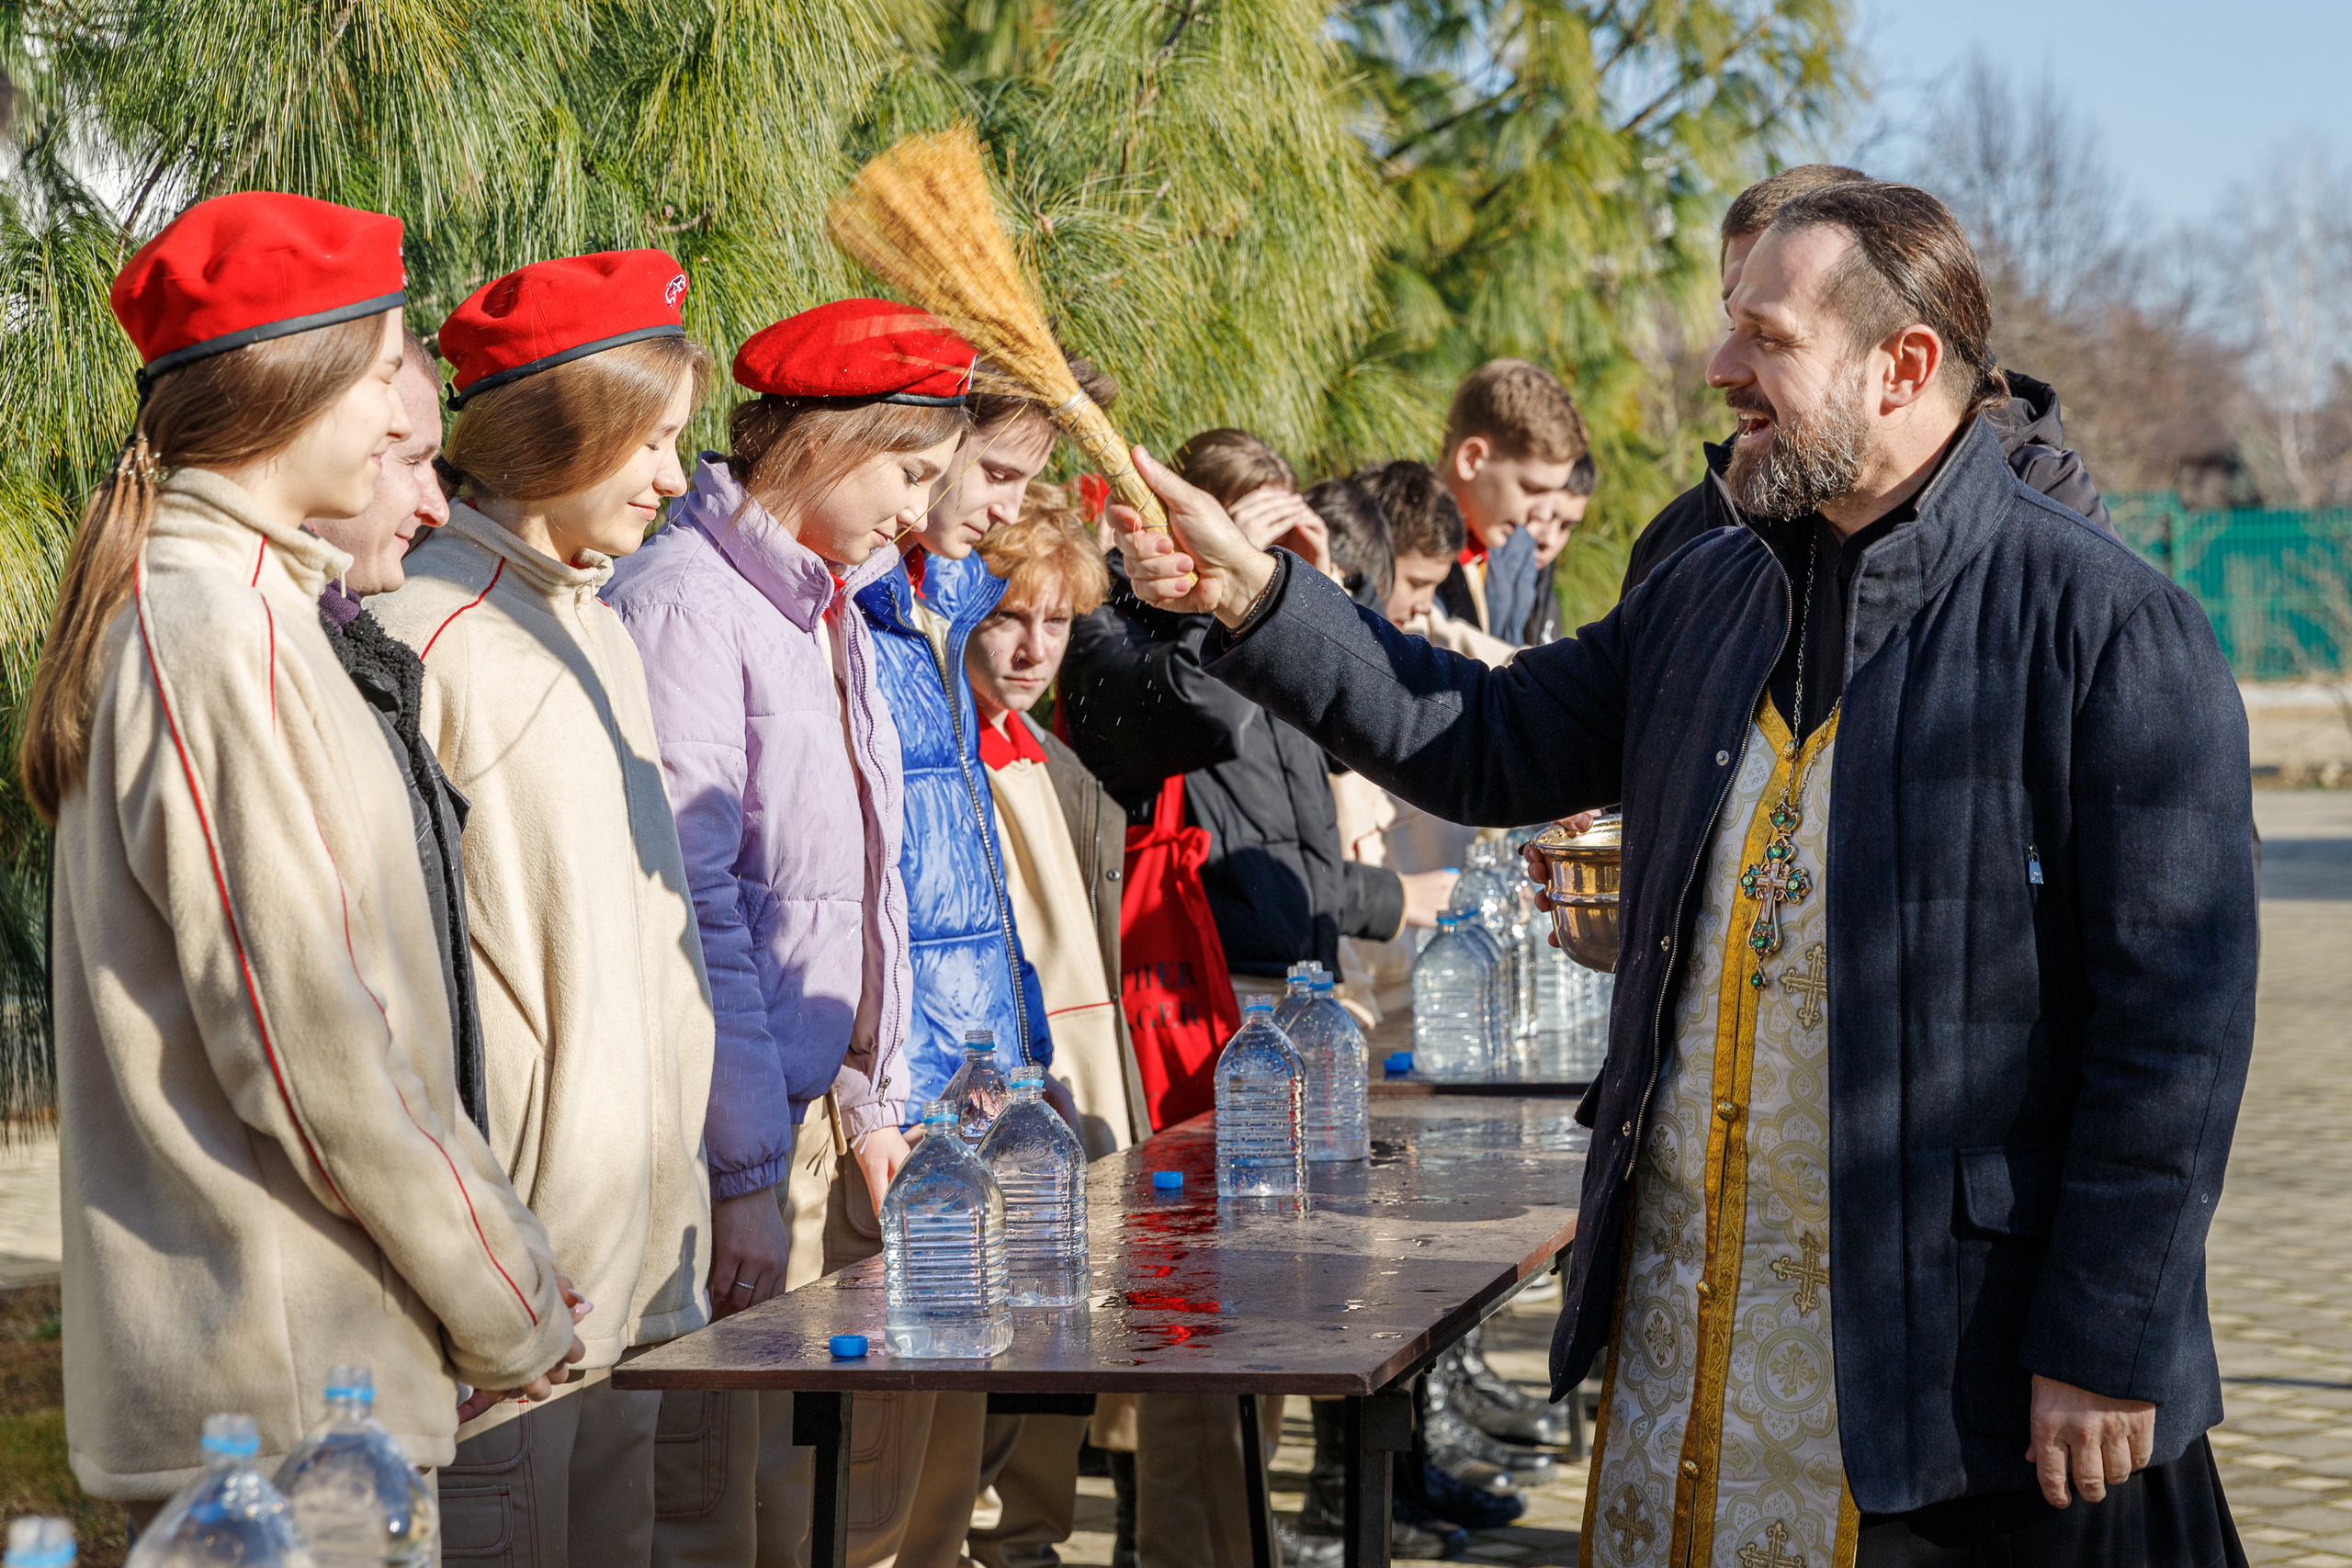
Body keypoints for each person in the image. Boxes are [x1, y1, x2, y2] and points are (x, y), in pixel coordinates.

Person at [1115, 179, 2256, 1566]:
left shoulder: (2105, 623)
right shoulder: (1710, 591)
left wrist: (2106, 1338)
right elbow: (1484, 736)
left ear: (1901, 365)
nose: (1718, 368)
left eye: (1764, 337)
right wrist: (1252, 593)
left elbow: (2175, 1028)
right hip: (1692, 1349)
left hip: (1957, 1384)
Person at [32, 191, 580, 1522]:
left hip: (314, 1383)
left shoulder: (252, 614)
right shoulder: (211, 630)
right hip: (280, 1407)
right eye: (383, 371)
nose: (401, 419)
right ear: (297, 386)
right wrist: (505, 1294)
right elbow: (313, 1046)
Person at [369, 250, 718, 1562]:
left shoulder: (602, 626)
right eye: (651, 441)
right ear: (559, 429)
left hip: (638, 1266)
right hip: (522, 1287)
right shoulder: (429, 635)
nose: (675, 479)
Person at [1621, 162, 2112, 597]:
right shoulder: (1684, 542)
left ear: (1902, 365)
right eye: (1737, 318)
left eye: (1770, 328)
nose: (1720, 370)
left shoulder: (2049, 518)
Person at [964, 489, 1152, 1568]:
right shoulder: (938, 751)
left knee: (1060, 1337)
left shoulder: (1050, 759)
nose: (1035, 648)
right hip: (988, 1096)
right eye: (1007, 618)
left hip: (1078, 1082)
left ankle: (1030, 1538)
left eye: (1057, 621)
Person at [851, 350, 1105, 1120]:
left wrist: (1026, 1060)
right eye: (997, 474)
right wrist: (881, 1107)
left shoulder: (948, 599)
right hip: (902, 1105)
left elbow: (974, 889)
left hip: (975, 1089)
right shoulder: (848, 604)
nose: (1009, 509)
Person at [303, 328, 488, 1132]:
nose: (438, 505)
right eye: (410, 459)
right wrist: (469, 1203)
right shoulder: (263, 661)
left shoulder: (346, 648)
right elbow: (323, 1055)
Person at [1433, 359, 1590, 641]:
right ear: (1472, 459)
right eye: (1532, 489)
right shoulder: (1394, 546)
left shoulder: (1513, 558)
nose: (1543, 515)